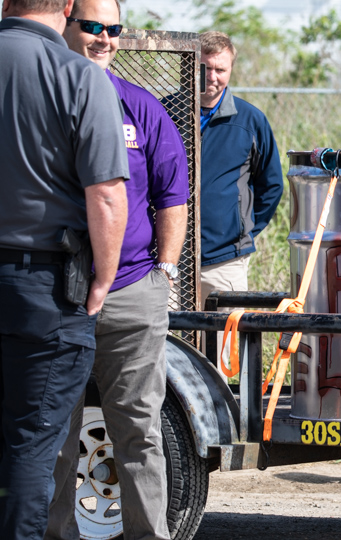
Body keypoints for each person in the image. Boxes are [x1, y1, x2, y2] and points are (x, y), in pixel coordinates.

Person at [44, 1, 191, 538]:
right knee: (51, 433)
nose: (106, 38)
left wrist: (166, 271)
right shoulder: (43, 101)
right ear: (64, 23)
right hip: (55, 293)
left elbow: (174, 194)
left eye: (115, 29)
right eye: (93, 27)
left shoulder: (141, 107)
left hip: (132, 293)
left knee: (140, 433)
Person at [0, 0, 129, 537]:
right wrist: (103, 278)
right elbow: (105, 195)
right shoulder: (78, 76)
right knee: (31, 445)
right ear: (69, 7)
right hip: (45, 288)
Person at [198, 31, 284, 303]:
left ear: (231, 69)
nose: (212, 77)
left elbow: (271, 186)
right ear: (191, 64)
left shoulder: (251, 120)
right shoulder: (165, 113)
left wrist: (241, 231)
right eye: (205, 68)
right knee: (173, 342)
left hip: (224, 260)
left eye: (220, 69)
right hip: (170, 260)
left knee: (224, 344)